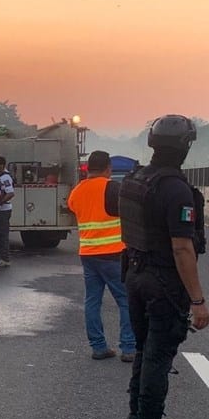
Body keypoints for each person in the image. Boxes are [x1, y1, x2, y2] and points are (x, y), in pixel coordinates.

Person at [119, 114, 209, 419]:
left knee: (145, 348)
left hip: (135, 273)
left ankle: (136, 417)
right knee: (159, 354)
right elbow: (182, 247)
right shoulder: (175, 189)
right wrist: (198, 300)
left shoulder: (136, 178)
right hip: (162, 281)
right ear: (185, 146)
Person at [67, 150, 136, 361]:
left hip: (87, 253)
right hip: (113, 253)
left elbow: (74, 210)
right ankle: (129, 348)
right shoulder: (113, 188)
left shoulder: (76, 192)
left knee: (92, 301)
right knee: (125, 300)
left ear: (88, 168)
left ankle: (98, 347)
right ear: (108, 168)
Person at [0, 155, 15, 267]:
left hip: (4, 210)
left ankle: (5, 258)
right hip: (1, 210)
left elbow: (10, 193)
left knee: (2, 235)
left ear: (1, 165)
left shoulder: (5, 177)